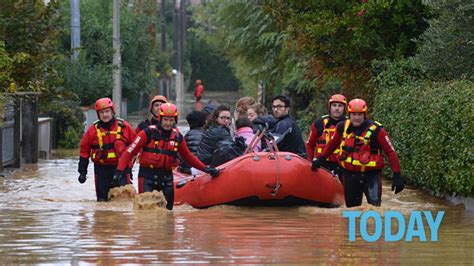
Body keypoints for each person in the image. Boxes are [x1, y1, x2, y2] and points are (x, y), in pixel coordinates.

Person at [114, 103, 220, 210]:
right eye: (165, 120)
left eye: (171, 120)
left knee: (168, 214)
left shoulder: (177, 136)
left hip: (166, 178)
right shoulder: (147, 133)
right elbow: (129, 152)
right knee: (145, 213)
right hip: (147, 176)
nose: (168, 123)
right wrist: (119, 171)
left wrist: (206, 169)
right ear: (160, 119)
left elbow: (188, 157)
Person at [312, 99, 405, 207]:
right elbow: (332, 144)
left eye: (360, 114)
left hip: (371, 175)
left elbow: (390, 152)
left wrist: (397, 175)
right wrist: (321, 159)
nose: (356, 118)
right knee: (352, 210)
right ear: (349, 114)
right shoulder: (342, 127)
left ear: (365, 115)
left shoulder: (377, 130)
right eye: (354, 114)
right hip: (349, 175)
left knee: (374, 208)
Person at [78, 97, 137, 202]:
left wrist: (129, 167)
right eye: (102, 112)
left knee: (124, 202)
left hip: (121, 170)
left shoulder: (124, 127)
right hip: (101, 171)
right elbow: (84, 151)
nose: (105, 115)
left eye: (107, 111)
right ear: (98, 114)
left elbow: (135, 147)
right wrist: (82, 172)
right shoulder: (92, 130)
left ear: (112, 111)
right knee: (101, 202)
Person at [306, 94, 347, 178]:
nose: (337, 108)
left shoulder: (349, 124)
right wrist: (309, 163)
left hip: (343, 166)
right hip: (322, 165)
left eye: (340, 106)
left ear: (344, 108)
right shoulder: (319, 124)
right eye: (334, 105)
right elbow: (310, 145)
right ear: (329, 107)